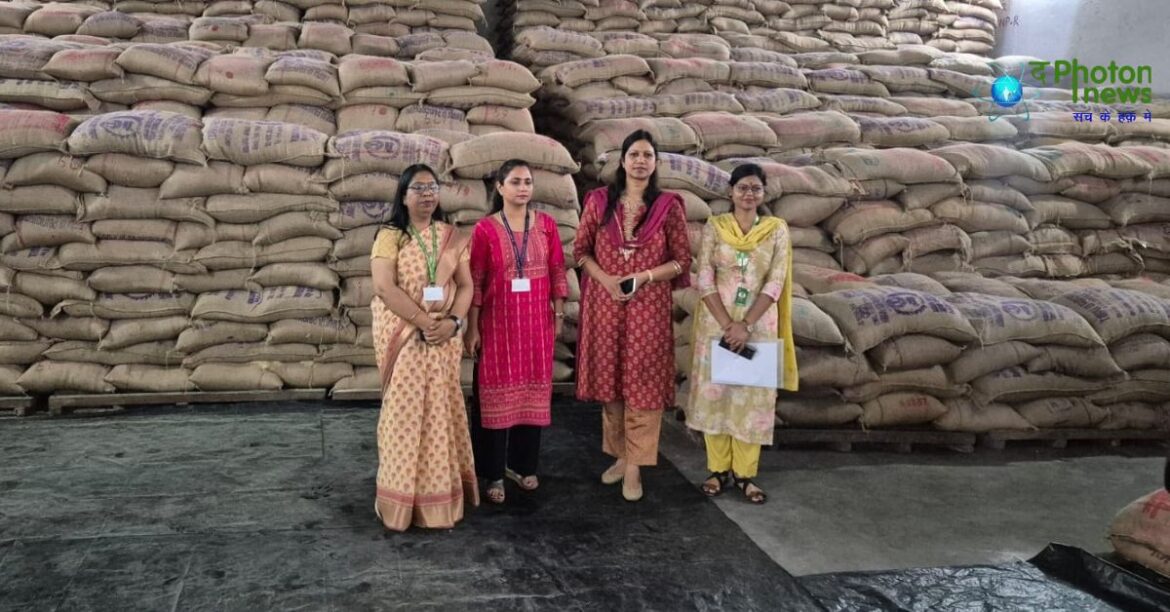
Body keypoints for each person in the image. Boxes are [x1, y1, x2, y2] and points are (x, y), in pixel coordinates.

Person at [574, 130, 692, 502]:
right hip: (605, 304)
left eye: (648, 155)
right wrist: (607, 281)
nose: (641, 161)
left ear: (655, 163)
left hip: (648, 308)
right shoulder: (597, 202)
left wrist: (644, 277)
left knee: (642, 382)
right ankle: (622, 455)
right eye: (634, 154)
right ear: (622, 161)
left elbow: (682, 260)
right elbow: (580, 251)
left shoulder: (669, 206)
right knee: (610, 382)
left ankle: (636, 467)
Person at [369, 163, 479, 531]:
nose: (428, 194)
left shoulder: (450, 236)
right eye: (418, 188)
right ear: (403, 195)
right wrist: (423, 321)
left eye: (433, 187)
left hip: (443, 339)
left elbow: (465, 287)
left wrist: (454, 323)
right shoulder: (391, 235)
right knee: (403, 415)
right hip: (405, 336)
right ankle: (401, 505)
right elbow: (384, 287)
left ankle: (439, 503)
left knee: (440, 414)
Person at [686, 163, 798, 505]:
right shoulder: (715, 227)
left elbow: (776, 281)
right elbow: (704, 278)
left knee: (751, 400)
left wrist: (745, 324)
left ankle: (746, 475)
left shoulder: (776, 230)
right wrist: (727, 324)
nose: (749, 194)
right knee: (716, 395)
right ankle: (717, 470)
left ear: (764, 194)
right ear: (731, 192)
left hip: (757, 327)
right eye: (743, 188)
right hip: (716, 323)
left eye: (755, 189)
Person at [466, 159, 569, 504]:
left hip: (536, 325)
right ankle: (492, 473)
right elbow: (476, 280)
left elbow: (557, 270)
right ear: (499, 187)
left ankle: (523, 466)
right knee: (494, 396)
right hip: (498, 326)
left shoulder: (547, 226)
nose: (523, 188)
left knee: (531, 396)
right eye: (515, 182)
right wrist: (472, 326)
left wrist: (559, 313)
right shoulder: (485, 229)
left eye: (527, 182)